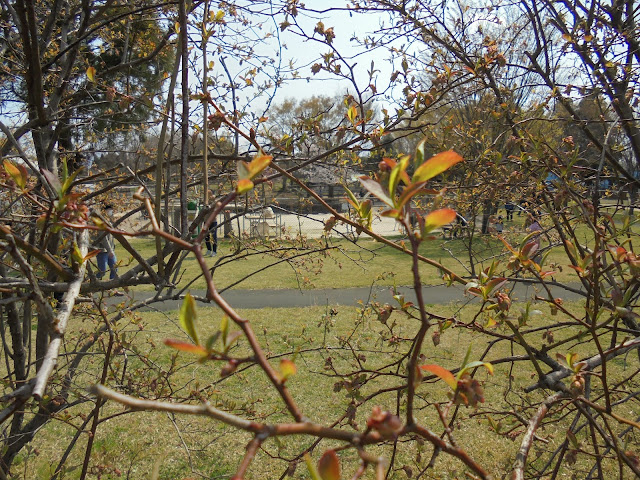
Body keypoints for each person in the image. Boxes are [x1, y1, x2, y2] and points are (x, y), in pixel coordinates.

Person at [95, 205, 118, 279]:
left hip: (111, 249)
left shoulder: (110, 222)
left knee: (114, 268)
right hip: (102, 251)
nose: (111, 212)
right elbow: (104, 238)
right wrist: (110, 250)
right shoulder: (101, 223)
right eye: (109, 210)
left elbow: (111, 235)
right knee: (102, 271)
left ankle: (112, 284)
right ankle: (92, 281)